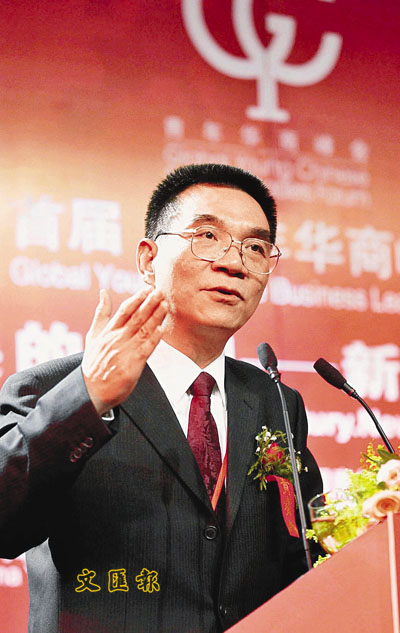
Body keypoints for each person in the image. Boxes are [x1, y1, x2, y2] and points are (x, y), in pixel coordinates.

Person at [0, 163, 322, 633]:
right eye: (207, 236)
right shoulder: (51, 388)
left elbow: (306, 557)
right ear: (149, 260)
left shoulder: (275, 401)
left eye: (255, 247)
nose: (234, 263)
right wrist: (89, 398)